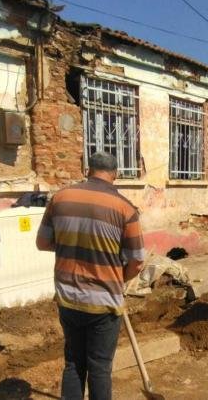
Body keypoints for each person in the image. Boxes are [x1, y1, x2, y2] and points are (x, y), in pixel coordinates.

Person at [36, 152, 146, 400]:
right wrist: (120, 278)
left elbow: (42, 243)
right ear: (115, 175)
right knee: (99, 368)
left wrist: (70, 245)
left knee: (73, 363)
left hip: (68, 298)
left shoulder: (60, 198)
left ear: (88, 170)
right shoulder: (125, 209)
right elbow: (137, 260)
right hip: (103, 304)